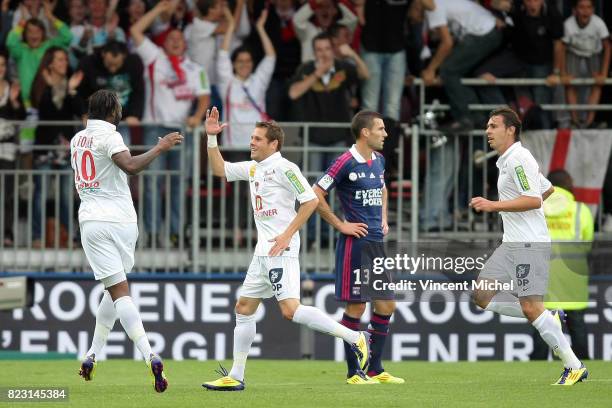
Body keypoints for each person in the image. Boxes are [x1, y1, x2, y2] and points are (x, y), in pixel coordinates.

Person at [201, 106, 369, 391]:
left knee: (290, 311)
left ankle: (355, 338)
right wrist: (211, 138)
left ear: (273, 144)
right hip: (262, 252)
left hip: (282, 249)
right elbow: (220, 169)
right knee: (244, 307)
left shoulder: (285, 168)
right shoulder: (254, 167)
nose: (251, 142)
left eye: (257, 139)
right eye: (252, 138)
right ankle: (236, 375)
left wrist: (286, 235)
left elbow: (310, 200)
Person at [73, 89, 183, 392]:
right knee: (116, 290)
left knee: (117, 291)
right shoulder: (111, 136)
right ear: (111, 112)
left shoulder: (77, 139)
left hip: (95, 221)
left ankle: (149, 355)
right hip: (122, 221)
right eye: (119, 107)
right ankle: (93, 355)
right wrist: (160, 147)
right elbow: (131, 166)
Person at [470, 106, 587, 386]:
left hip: (528, 243)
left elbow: (534, 199)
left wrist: (493, 205)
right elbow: (546, 190)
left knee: (531, 308)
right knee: (481, 296)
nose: (488, 131)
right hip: (511, 243)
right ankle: (549, 316)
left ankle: (574, 366)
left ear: (510, 129)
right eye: (487, 126)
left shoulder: (518, 158)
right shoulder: (510, 159)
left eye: (493, 126)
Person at [313, 110, 403, 385]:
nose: (385, 134)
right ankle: (354, 372)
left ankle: (374, 368)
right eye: (381, 129)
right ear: (365, 132)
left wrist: (384, 217)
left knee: (387, 304)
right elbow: (315, 194)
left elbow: (382, 188)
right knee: (356, 308)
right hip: (356, 244)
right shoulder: (344, 162)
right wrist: (341, 225)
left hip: (376, 242)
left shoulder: (379, 160)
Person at [131, 0, 211, 246]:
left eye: (179, 39)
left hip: (181, 130)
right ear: (163, 42)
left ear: (185, 43)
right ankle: (153, 233)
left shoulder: (195, 68)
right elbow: (135, 31)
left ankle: (176, 233)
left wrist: (197, 117)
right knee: (153, 182)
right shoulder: (154, 57)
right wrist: (158, 10)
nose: (176, 41)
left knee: (180, 182)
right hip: (155, 127)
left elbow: (204, 97)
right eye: (171, 38)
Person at [530, 169, 592, 361]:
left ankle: (536, 370)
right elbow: (587, 242)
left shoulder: (536, 208)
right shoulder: (581, 210)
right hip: (572, 278)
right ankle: (582, 366)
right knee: (577, 329)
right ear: (569, 185)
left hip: (543, 276)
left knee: (543, 326)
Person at [217, 7, 275, 148]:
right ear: (234, 64)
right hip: (233, 146)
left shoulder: (258, 81)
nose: (244, 65)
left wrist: (260, 28)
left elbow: (270, 56)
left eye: (248, 61)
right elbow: (223, 54)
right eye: (240, 61)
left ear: (253, 64)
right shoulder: (228, 83)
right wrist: (231, 27)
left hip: (258, 147)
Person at [561, 0, 610, 128]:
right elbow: (562, 48)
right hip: (574, 52)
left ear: (593, 9)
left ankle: (589, 121)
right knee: (570, 83)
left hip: (593, 52)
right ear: (575, 9)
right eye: (581, 7)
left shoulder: (599, 23)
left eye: (588, 7)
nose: (585, 11)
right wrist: (563, 73)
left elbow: (608, 47)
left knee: (597, 83)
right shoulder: (568, 24)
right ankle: (575, 121)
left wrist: (603, 73)